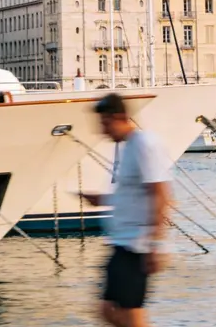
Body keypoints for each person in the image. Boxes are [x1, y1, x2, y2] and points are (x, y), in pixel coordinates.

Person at [81, 93, 173, 327]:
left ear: (120, 117)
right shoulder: (129, 147)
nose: (103, 130)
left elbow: (160, 193)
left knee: (131, 315)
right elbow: (133, 193)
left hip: (137, 246)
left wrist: (156, 245)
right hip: (122, 244)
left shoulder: (144, 144)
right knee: (107, 311)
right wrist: (101, 198)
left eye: (105, 123)